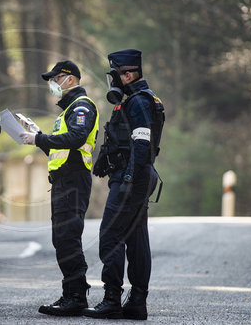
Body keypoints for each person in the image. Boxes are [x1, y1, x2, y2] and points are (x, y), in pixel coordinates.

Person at [83, 49, 165, 320]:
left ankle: (112, 300)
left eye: (115, 75)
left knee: (110, 235)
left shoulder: (139, 102)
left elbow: (142, 145)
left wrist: (128, 179)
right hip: (137, 176)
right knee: (136, 238)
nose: (113, 81)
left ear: (127, 75)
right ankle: (137, 303)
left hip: (133, 179)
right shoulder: (139, 100)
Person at [20, 60, 99, 316]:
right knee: (62, 238)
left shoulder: (82, 107)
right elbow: (60, 148)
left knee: (67, 237)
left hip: (74, 180)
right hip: (64, 180)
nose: (52, 84)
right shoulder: (66, 112)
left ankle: (75, 296)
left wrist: (40, 138)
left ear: (70, 79)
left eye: (55, 78)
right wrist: (38, 136)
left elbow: (76, 139)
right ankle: (72, 293)